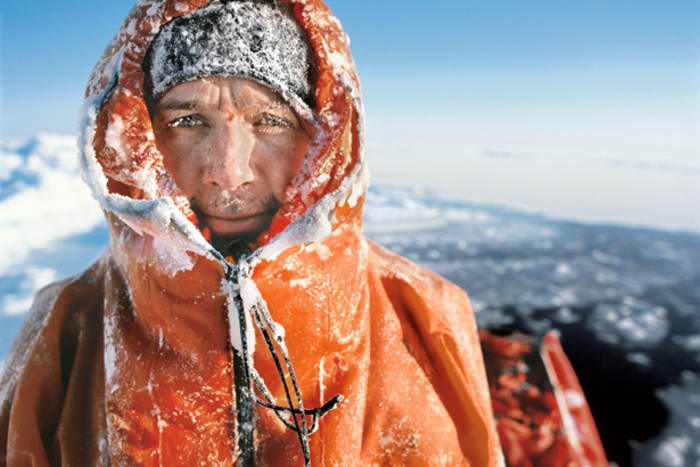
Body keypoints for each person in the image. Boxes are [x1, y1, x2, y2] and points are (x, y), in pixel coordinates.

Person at [0, 0, 504, 465]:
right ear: (141, 140)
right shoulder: (65, 326)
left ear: (323, 142)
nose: (229, 170)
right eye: (188, 120)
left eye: (271, 121)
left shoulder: (425, 312)